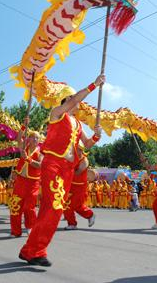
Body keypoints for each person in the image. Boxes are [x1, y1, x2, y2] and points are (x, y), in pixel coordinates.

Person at [19, 74, 104, 267]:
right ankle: (36, 251)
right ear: (66, 100)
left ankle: (30, 251)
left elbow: (87, 144)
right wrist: (94, 85)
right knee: (55, 209)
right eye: (74, 100)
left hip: (68, 171)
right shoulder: (57, 114)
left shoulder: (78, 124)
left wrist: (97, 136)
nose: (78, 104)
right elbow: (75, 99)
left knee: (51, 210)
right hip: (53, 165)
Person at [9, 131, 43, 238]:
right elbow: (19, 138)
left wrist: (28, 159)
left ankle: (30, 226)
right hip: (20, 181)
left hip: (33, 183)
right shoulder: (24, 148)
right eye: (33, 137)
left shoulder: (41, 153)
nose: (35, 139)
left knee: (29, 207)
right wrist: (24, 125)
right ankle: (16, 231)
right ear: (29, 139)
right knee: (15, 206)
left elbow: (40, 165)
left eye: (37, 138)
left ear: (39, 141)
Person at [63, 148, 95, 229]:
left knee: (76, 205)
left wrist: (66, 170)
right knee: (66, 204)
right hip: (70, 185)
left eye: (80, 149)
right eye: (76, 149)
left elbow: (78, 172)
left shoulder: (84, 160)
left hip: (80, 186)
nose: (78, 151)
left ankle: (90, 214)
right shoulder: (72, 158)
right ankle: (72, 223)